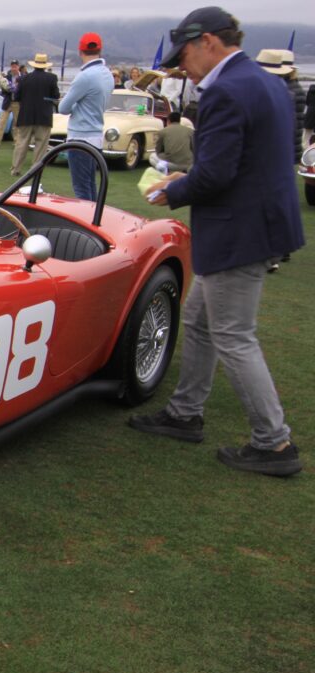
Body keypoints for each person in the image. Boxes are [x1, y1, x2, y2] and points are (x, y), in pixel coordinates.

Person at [132, 7, 305, 477]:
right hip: (257, 222)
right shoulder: (267, 80)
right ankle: (186, 412)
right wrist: (195, 177)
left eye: (185, 54)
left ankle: (273, 443)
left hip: (238, 230)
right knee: (200, 320)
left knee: (233, 335)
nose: (182, 66)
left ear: (208, 41)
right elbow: (249, 160)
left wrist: (175, 189)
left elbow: (218, 173)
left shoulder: (226, 89)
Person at [58, 32, 112, 200]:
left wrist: (75, 105)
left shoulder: (85, 76)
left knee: (81, 189)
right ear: (100, 50)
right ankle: (94, 220)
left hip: (80, 137)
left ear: (80, 51)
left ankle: (85, 224)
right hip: (96, 136)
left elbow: (63, 107)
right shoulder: (107, 74)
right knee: (90, 185)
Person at [11, 53, 59, 176]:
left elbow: (16, 96)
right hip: (44, 116)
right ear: (45, 65)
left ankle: (16, 169)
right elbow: (56, 96)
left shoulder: (24, 78)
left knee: (22, 143)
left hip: (26, 115)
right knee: (41, 144)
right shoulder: (52, 78)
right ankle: (35, 170)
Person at [0, 59, 22, 149]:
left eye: (15, 66)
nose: (13, 68)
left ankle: (17, 141)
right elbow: (3, 89)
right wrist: (10, 89)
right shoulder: (7, 77)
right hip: (8, 102)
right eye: (12, 66)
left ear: (18, 67)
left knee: (17, 123)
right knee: (2, 121)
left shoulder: (23, 77)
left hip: (17, 102)